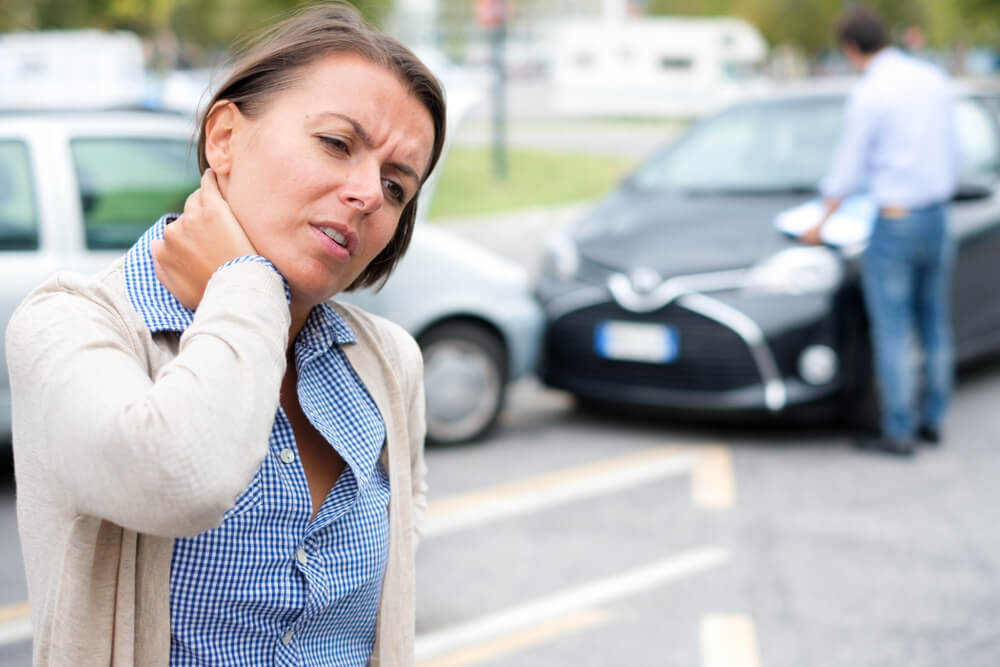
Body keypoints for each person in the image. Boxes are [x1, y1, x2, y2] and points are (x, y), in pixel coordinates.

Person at [5, 3, 446, 664]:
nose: (366, 194)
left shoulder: (388, 362)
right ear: (224, 138)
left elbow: (397, 565)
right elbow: (180, 478)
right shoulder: (69, 322)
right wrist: (245, 281)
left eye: (395, 185)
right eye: (336, 143)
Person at [800, 7, 960, 457]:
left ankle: (898, 431)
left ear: (851, 48)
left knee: (893, 329)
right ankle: (933, 420)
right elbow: (955, 151)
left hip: (894, 219)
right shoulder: (933, 79)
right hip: (937, 215)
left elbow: (847, 169)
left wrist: (821, 221)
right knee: (933, 323)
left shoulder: (870, 93)